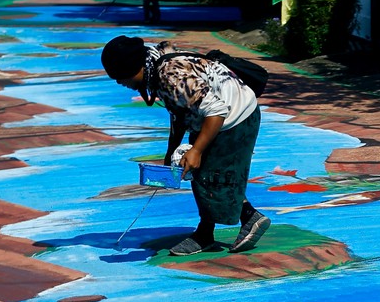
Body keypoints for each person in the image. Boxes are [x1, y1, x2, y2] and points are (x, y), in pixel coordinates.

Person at [100, 35, 270, 256]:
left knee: (211, 173)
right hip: (213, 117)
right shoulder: (154, 67)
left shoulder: (171, 76)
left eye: (121, 77)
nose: (120, 83)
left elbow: (216, 112)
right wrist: (172, 152)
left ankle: (243, 220)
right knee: (202, 173)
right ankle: (211, 231)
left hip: (235, 116)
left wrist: (197, 150)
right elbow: (178, 111)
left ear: (133, 68)